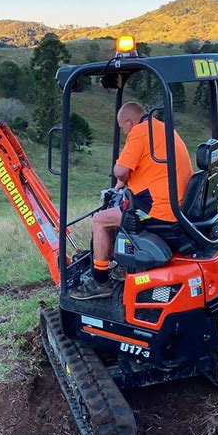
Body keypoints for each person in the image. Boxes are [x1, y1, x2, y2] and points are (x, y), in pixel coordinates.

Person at [70, 101, 194, 300]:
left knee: (100, 220)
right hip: (175, 203)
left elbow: (120, 170)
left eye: (123, 129)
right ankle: (124, 266)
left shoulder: (139, 132)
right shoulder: (163, 129)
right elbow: (152, 168)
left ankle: (100, 280)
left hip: (160, 210)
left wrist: (120, 178)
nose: (125, 133)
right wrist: (123, 184)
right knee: (121, 208)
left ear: (128, 123)